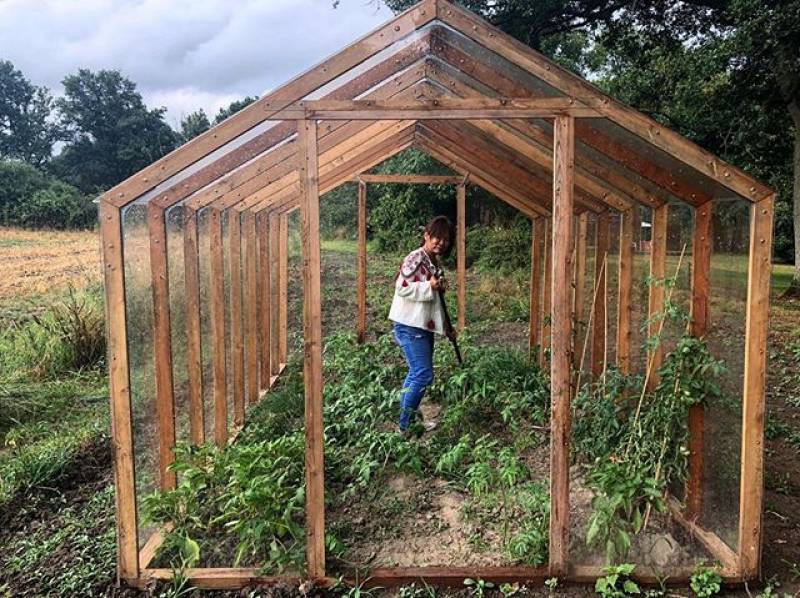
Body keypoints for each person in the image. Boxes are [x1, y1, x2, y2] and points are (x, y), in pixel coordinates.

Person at [388, 215, 457, 433]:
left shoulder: (433, 262)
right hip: (409, 325)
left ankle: (409, 420)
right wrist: (429, 285)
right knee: (423, 374)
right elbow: (401, 287)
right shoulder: (415, 258)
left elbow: (436, 299)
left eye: (445, 239)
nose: (441, 242)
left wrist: (446, 327)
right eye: (436, 237)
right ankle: (405, 427)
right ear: (426, 236)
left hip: (421, 325)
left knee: (416, 373)